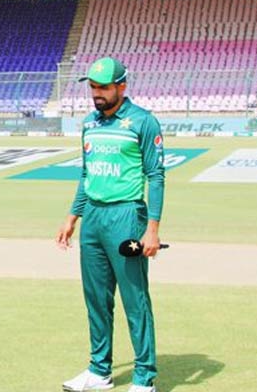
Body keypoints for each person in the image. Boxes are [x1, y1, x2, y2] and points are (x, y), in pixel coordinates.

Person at [56, 56, 164, 392]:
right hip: (94, 219)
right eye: (92, 87)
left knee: (135, 298)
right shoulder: (89, 124)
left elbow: (156, 176)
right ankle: (99, 370)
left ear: (122, 86)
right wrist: (73, 216)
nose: (97, 94)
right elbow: (87, 174)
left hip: (126, 217)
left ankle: (144, 377)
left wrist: (153, 228)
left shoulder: (142, 123)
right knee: (96, 298)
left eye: (103, 87)